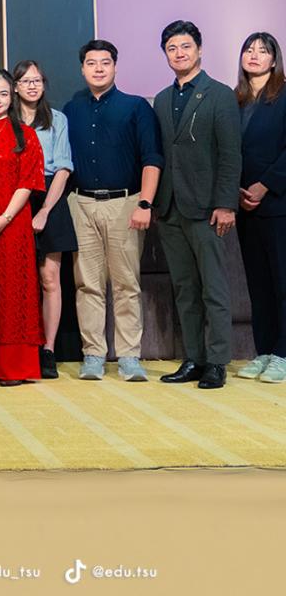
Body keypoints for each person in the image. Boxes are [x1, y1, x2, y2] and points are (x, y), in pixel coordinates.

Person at [63, 40, 162, 382]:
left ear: (115, 67)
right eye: (92, 63)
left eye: (105, 62)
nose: (99, 69)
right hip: (81, 204)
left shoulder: (136, 107)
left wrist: (145, 203)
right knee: (87, 284)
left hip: (126, 204)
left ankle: (129, 356)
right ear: (82, 69)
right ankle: (93, 354)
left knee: (126, 284)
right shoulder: (71, 109)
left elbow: (152, 158)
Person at [153, 21, 242, 390]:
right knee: (185, 289)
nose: (179, 53)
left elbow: (231, 154)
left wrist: (225, 204)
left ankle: (217, 362)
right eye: (172, 48)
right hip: (170, 208)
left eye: (186, 46)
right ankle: (194, 358)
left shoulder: (220, 95)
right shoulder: (161, 99)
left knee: (213, 288)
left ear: (200, 50)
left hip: (207, 208)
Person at [0, 68, 45, 385]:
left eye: (3, 93)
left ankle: (14, 367)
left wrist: (4, 218)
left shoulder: (25, 135)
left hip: (13, 225)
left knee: (13, 294)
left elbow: (28, 182)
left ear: (12, 96)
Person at [13, 60, 77, 379]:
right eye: (26, 81)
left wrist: (45, 210)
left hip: (50, 195)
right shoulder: (5, 119)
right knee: (18, 280)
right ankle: (21, 345)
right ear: (15, 86)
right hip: (15, 196)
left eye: (37, 80)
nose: (32, 86)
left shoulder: (57, 119)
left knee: (50, 278)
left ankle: (48, 349)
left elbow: (63, 168)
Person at [234, 32, 286, 383]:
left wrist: (265, 185)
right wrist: (235, 191)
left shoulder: (283, 95)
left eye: (263, 51)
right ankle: (264, 350)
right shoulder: (233, 99)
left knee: (282, 282)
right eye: (249, 50)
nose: (254, 55)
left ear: (274, 59)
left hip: (278, 202)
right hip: (244, 205)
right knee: (258, 283)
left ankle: (283, 353)